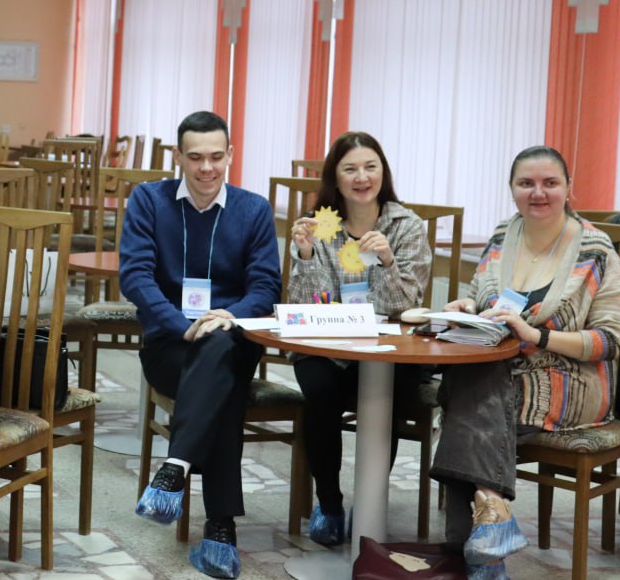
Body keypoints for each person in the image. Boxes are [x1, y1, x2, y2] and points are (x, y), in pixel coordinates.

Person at [431, 146, 620, 579]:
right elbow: (481, 298)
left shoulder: (596, 249)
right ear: (512, 189)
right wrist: (468, 307)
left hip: (571, 377)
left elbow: (611, 340)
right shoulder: (503, 235)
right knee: (479, 385)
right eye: (526, 183)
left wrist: (537, 336)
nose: (538, 192)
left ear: (568, 188)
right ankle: (491, 521)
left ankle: (475, 548)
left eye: (550, 183)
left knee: (465, 397)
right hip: (498, 369)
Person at [121, 111, 280, 580]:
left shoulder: (253, 209)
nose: (206, 168)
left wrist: (226, 317)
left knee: (221, 349)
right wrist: (181, 324)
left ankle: (175, 466)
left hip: (233, 337)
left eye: (215, 156)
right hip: (169, 344)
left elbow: (266, 286)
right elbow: (135, 276)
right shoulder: (149, 200)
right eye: (195, 157)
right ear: (178, 156)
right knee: (223, 388)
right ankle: (220, 528)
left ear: (230, 155)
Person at [286, 131, 432, 545]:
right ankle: (329, 503)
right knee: (319, 391)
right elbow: (307, 304)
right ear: (335, 177)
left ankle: (370, 501)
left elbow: (403, 305)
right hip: (328, 348)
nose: (361, 177)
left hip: (389, 350)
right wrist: (307, 255)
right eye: (350, 169)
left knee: (386, 397)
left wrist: (386, 261)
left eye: (370, 167)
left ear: (383, 172)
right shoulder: (320, 224)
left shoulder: (405, 226)